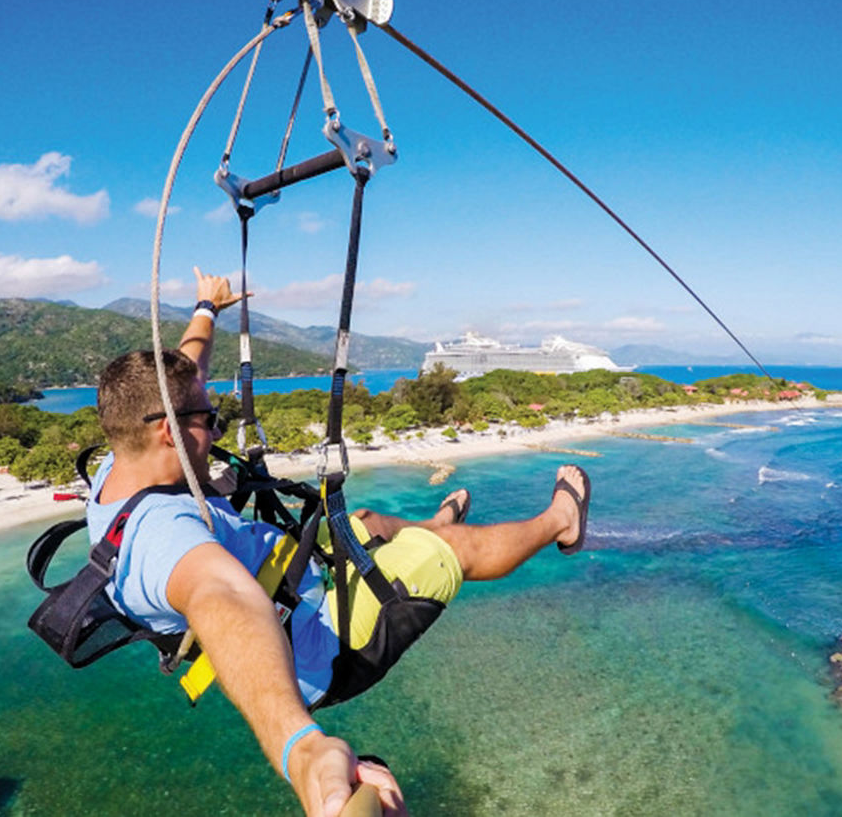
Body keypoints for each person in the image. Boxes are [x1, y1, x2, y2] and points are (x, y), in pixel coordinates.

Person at [88, 268, 592, 816]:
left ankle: (432, 525)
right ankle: (559, 521)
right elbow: (223, 601)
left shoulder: (123, 462)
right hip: (325, 645)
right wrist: (300, 749)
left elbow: (186, 372)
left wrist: (207, 308)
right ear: (170, 430)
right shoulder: (163, 539)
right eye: (209, 418)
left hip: (292, 579)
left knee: (369, 521)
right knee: (452, 554)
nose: (213, 427)